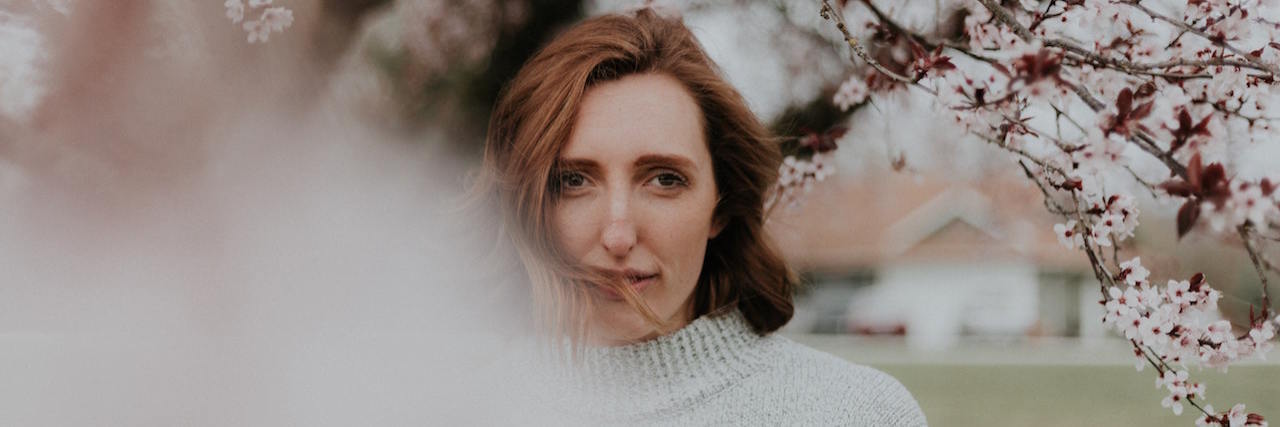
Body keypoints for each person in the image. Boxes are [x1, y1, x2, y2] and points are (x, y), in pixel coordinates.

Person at [476, 7, 927, 426]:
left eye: (664, 180)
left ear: (722, 204)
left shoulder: (855, 414)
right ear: (527, 202)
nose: (618, 235)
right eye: (572, 182)